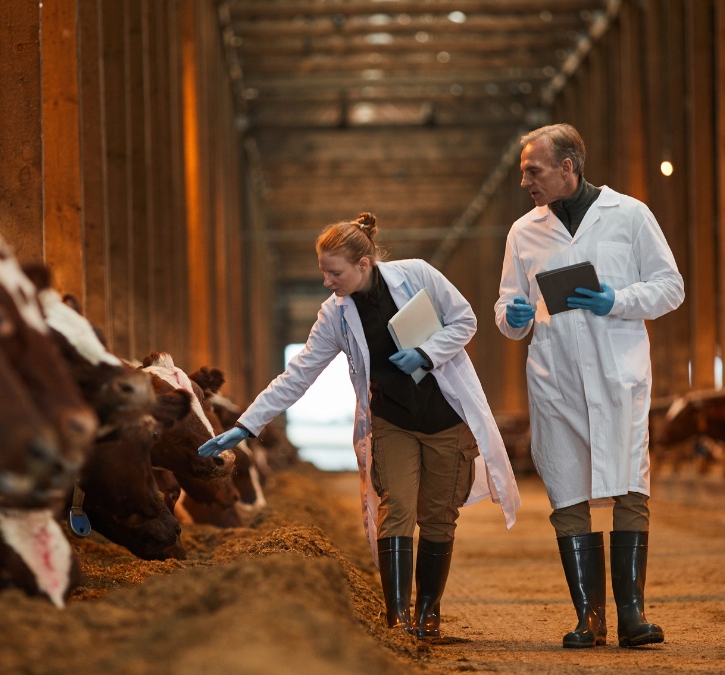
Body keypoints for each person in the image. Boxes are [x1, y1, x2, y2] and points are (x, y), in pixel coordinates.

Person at [200, 213, 521, 638]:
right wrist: (246, 425)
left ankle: (427, 614)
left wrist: (426, 353)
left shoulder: (418, 275)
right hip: (392, 421)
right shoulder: (335, 314)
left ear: (364, 264)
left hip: (447, 418)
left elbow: (465, 320)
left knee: (439, 516)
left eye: (334, 272)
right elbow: (299, 373)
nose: (327, 281)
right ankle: (397, 616)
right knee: (398, 510)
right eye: (323, 272)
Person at [495, 124, 684, 649]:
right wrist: (511, 316)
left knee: (630, 485)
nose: (525, 182)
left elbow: (671, 287)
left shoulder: (630, 215)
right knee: (568, 492)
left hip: (618, 375)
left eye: (533, 171)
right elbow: (508, 309)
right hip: (555, 381)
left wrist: (616, 300)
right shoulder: (522, 232)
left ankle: (632, 616)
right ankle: (589, 620)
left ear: (567, 168)